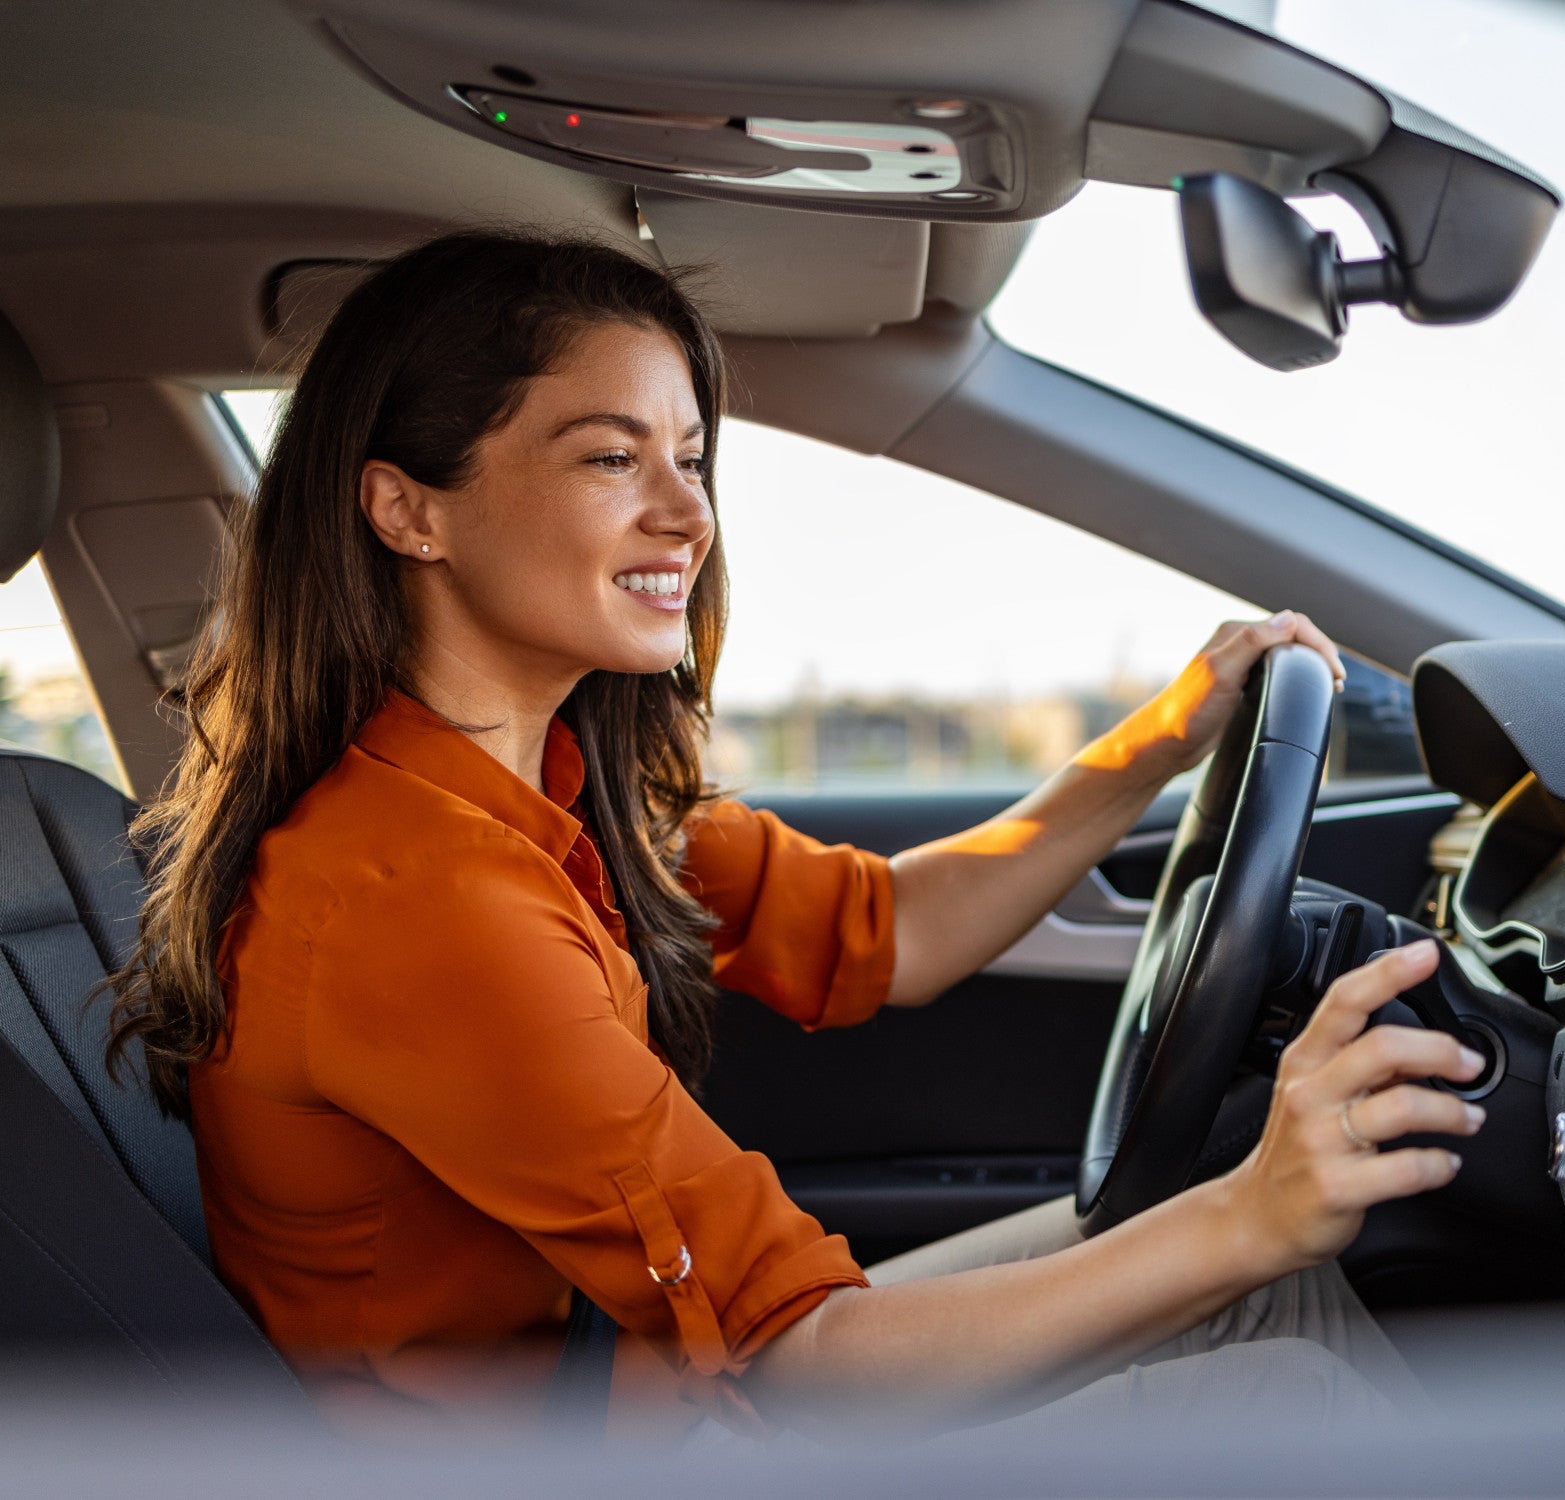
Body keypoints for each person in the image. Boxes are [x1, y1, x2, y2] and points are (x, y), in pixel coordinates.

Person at [105, 231, 1485, 1442]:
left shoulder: (556, 797)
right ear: (408, 507)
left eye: (691, 459)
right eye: (609, 456)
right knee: (1271, 1372)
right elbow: (799, 1362)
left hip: (638, 1400)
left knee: (1268, 1283)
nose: (688, 513)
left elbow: (900, 932)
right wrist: (1251, 1205)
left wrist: (1162, 739)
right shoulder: (414, 896)